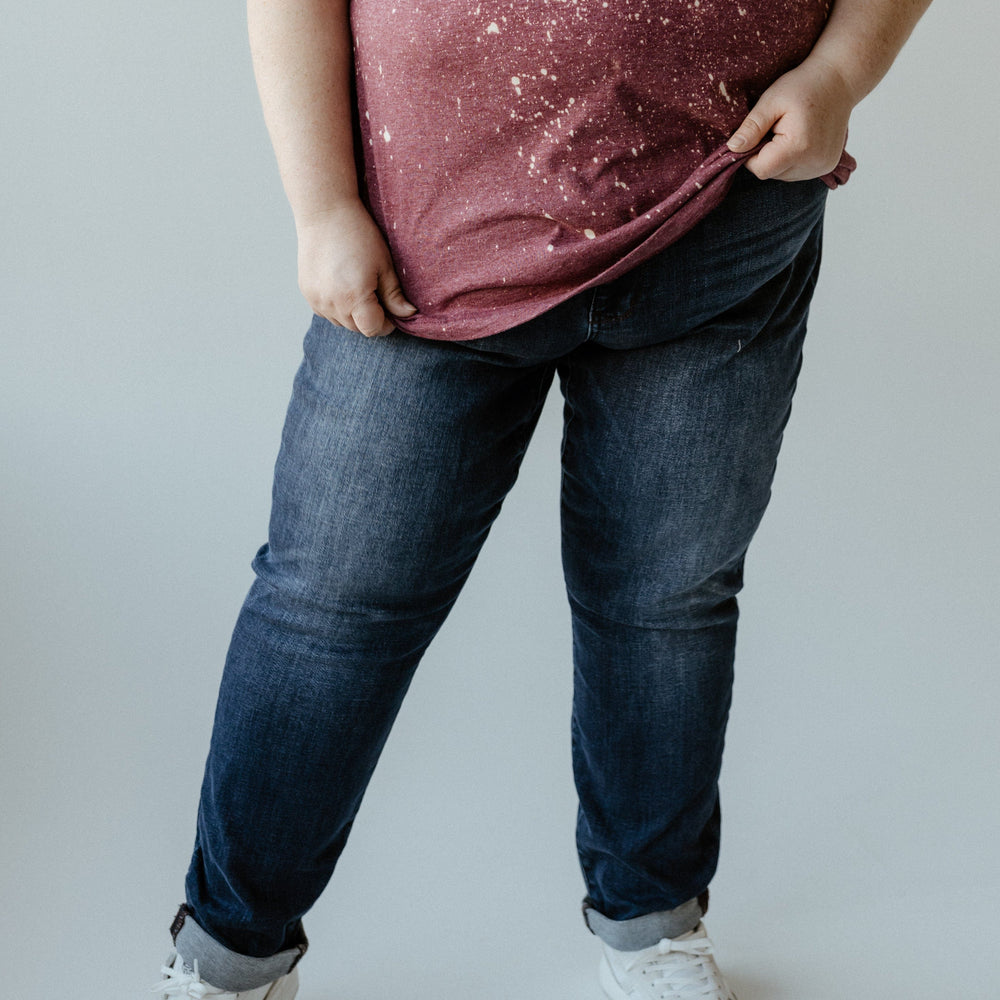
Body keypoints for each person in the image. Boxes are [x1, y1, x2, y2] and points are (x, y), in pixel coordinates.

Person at [152, 1, 931, 997]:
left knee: (666, 599)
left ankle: (651, 925)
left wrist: (841, 70)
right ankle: (230, 958)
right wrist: (321, 205)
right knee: (331, 608)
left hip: (718, 226)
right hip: (424, 252)